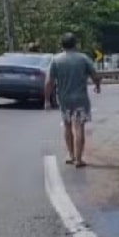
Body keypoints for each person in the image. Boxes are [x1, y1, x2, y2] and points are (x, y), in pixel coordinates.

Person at [44, 32, 101, 168]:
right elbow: (95, 75)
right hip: (80, 98)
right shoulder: (83, 58)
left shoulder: (56, 60)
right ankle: (79, 159)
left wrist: (46, 100)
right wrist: (97, 86)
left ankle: (70, 154)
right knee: (79, 127)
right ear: (75, 44)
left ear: (62, 45)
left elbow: (49, 82)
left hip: (64, 99)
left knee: (67, 125)